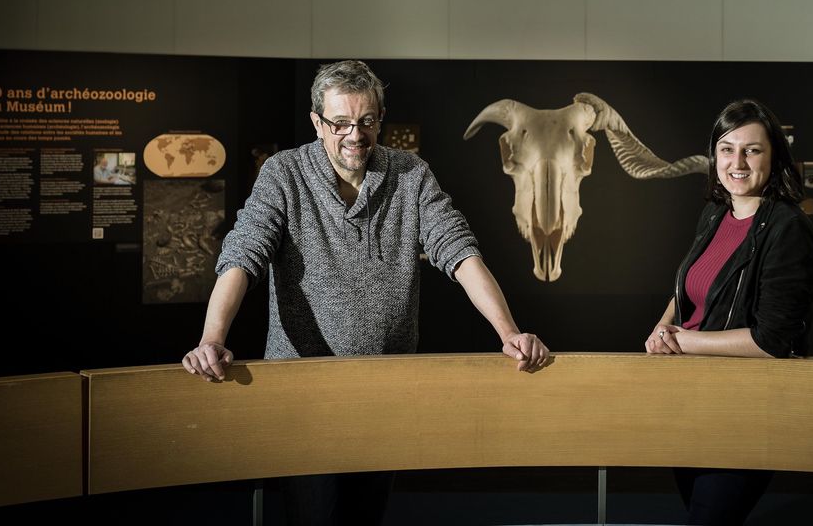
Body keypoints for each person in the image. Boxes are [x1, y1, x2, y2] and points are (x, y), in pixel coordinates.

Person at [183, 60, 549, 525]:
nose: (355, 135)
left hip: (386, 387)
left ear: (379, 119)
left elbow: (459, 251)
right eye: (340, 123)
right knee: (316, 516)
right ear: (317, 122)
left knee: (366, 515)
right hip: (305, 392)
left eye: (367, 121)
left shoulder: (410, 174)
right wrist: (212, 338)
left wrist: (508, 332)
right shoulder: (284, 174)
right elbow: (243, 256)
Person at [643, 98, 813, 526]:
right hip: (691, 403)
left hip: (747, 409)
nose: (737, 162)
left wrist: (683, 342)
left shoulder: (788, 228)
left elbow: (772, 340)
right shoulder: (714, 214)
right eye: (727, 149)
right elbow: (691, 290)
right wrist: (664, 326)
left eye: (752, 150)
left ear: (774, 156)